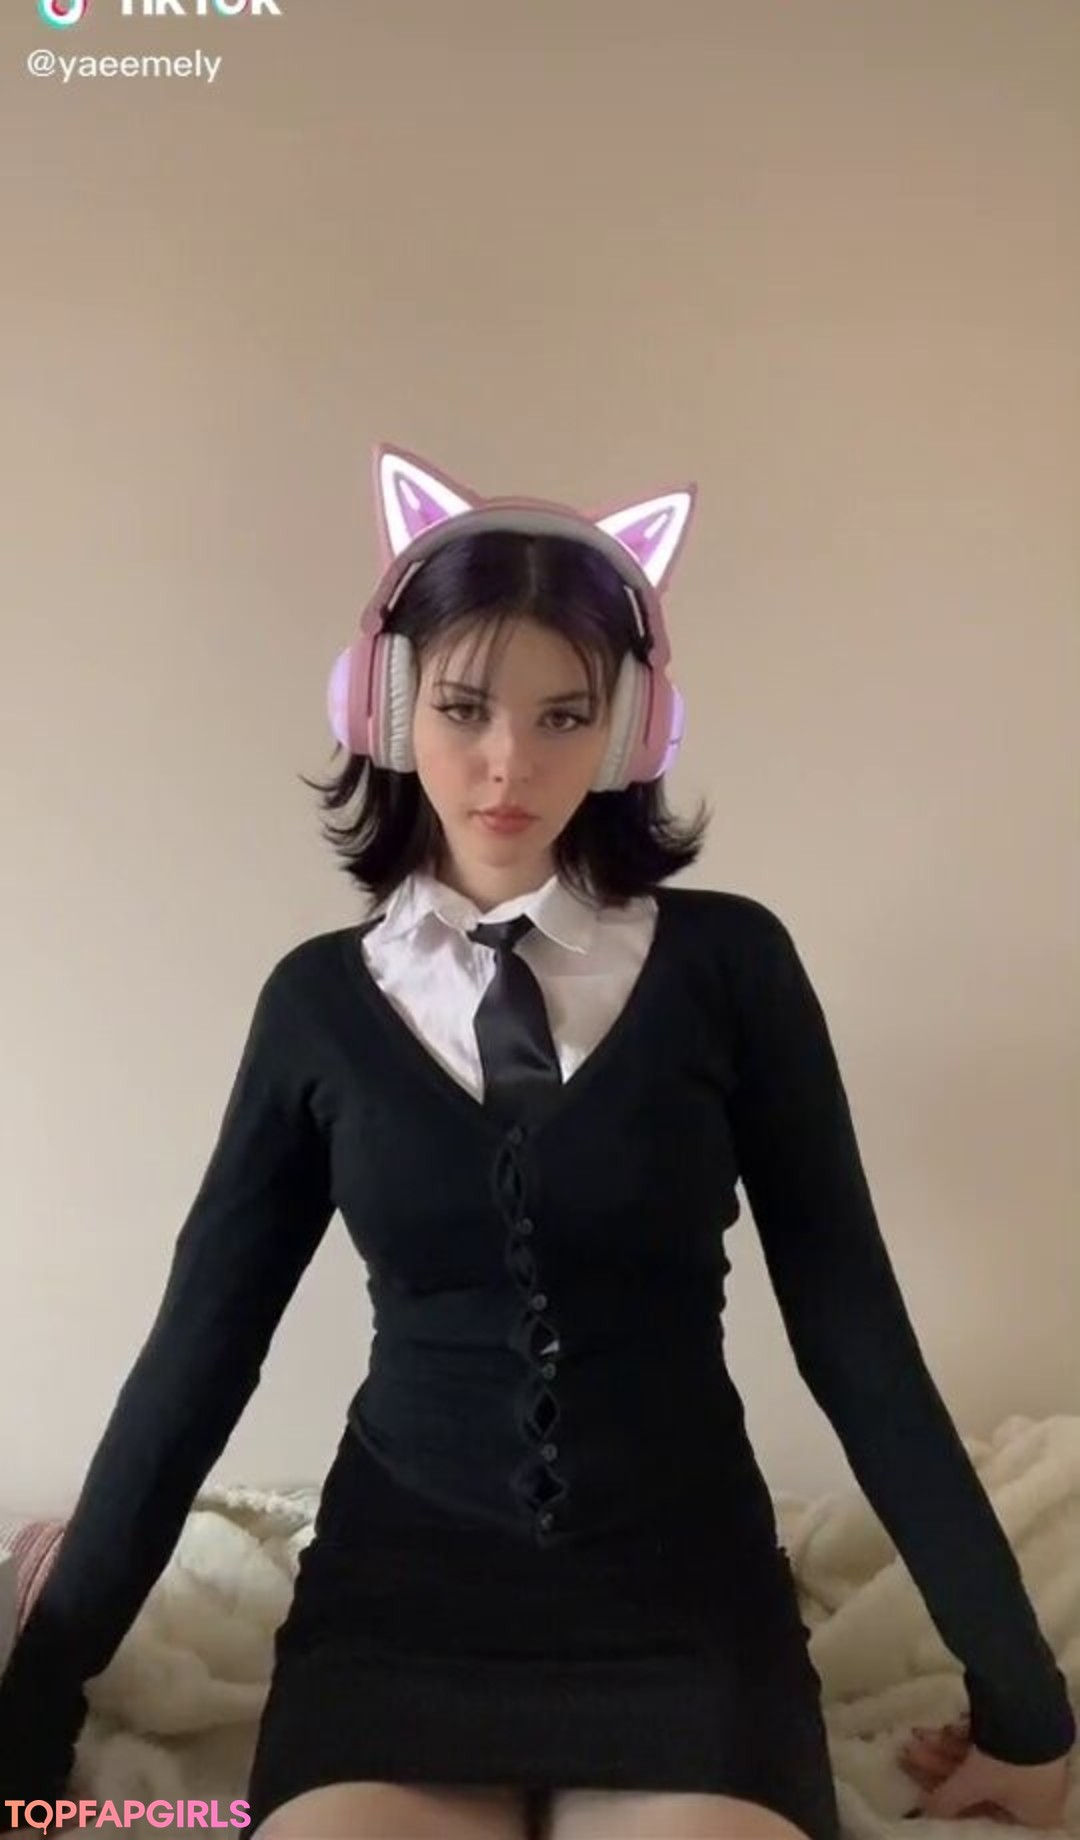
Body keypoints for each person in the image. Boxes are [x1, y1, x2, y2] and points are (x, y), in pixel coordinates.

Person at [0, 446, 1073, 1840]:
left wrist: (1025, 1704)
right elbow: (198, 1357)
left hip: (679, 1588)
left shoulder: (732, 967)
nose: (511, 762)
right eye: (464, 708)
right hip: (403, 1594)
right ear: (387, 706)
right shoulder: (317, 1005)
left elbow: (854, 1335)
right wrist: (35, 1708)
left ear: (631, 732)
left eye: (566, 715)